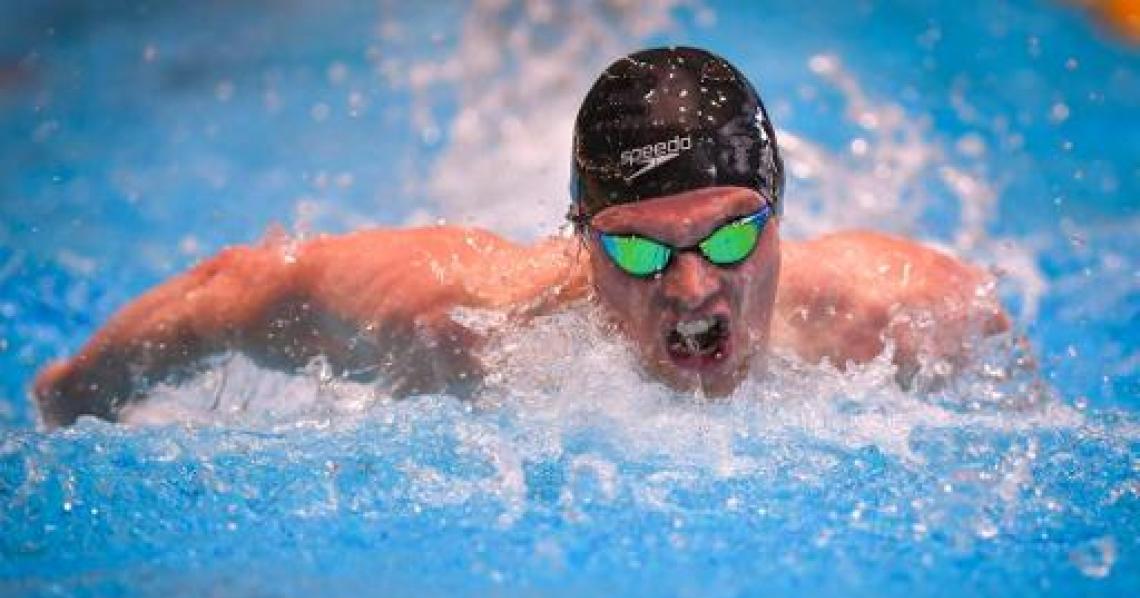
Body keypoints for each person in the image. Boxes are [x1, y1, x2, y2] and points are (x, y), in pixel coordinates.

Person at [33, 47, 1009, 428]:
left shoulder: (906, 320)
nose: (690, 288)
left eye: (726, 237)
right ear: (580, 241)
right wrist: (70, 402)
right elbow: (232, 287)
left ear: (779, 215)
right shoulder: (463, 323)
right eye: (635, 249)